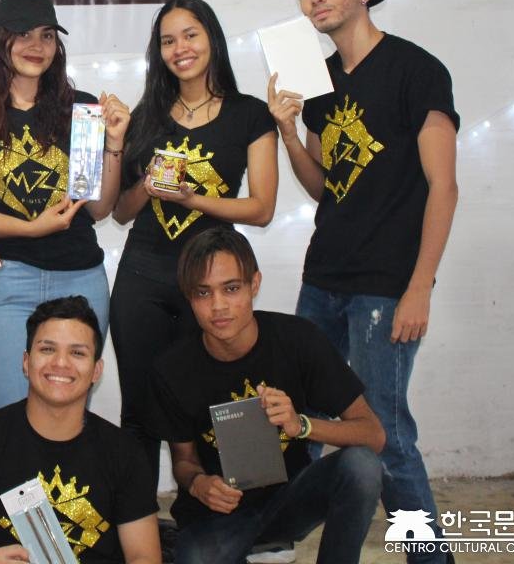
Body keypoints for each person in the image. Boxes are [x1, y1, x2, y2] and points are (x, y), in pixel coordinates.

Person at [268, 0, 459, 561]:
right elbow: (325, 185)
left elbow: (444, 186)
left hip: (387, 284)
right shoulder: (317, 81)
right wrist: (289, 133)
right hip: (323, 277)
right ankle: (278, 541)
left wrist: (419, 286)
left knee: (386, 433)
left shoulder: (415, 69)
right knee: (302, 416)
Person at [111, 0, 278, 479]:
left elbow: (261, 209)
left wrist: (193, 199)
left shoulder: (249, 114)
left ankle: (237, 509)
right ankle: (137, 515)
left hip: (212, 282)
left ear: (212, 39)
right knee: (139, 407)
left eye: (190, 35)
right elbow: (120, 212)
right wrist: (146, 187)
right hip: (142, 278)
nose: (180, 48)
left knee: (221, 400)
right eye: (168, 41)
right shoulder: (146, 114)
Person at [147, 228, 385, 564]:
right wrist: (200, 484)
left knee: (362, 467)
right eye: (203, 292)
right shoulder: (172, 369)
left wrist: (301, 425)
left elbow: (373, 434)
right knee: (195, 558)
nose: (218, 306)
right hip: (217, 516)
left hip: (290, 501)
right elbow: (183, 460)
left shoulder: (298, 340)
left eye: (231, 288)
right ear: (189, 297)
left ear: (254, 284)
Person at [0, 0, 130, 410]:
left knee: (69, 415)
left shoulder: (81, 109)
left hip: (80, 278)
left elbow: (98, 208)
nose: (36, 46)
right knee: (9, 416)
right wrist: (30, 228)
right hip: (3, 282)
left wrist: (114, 144)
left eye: (46, 35)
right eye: (23, 34)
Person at [0, 296, 161, 564]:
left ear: (96, 371)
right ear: (26, 362)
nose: (61, 363)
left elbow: (144, 556)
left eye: (77, 353)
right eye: (47, 349)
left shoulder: (124, 452)